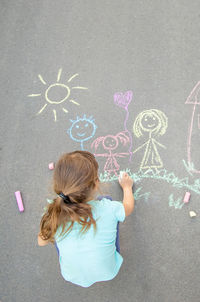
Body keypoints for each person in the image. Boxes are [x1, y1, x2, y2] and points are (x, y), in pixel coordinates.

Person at [38, 151, 134, 287]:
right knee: (107, 201)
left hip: (72, 276)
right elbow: (128, 207)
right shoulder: (108, 208)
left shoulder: (53, 215)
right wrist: (127, 187)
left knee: (57, 236)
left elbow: (41, 242)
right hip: (109, 271)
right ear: (96, 184)